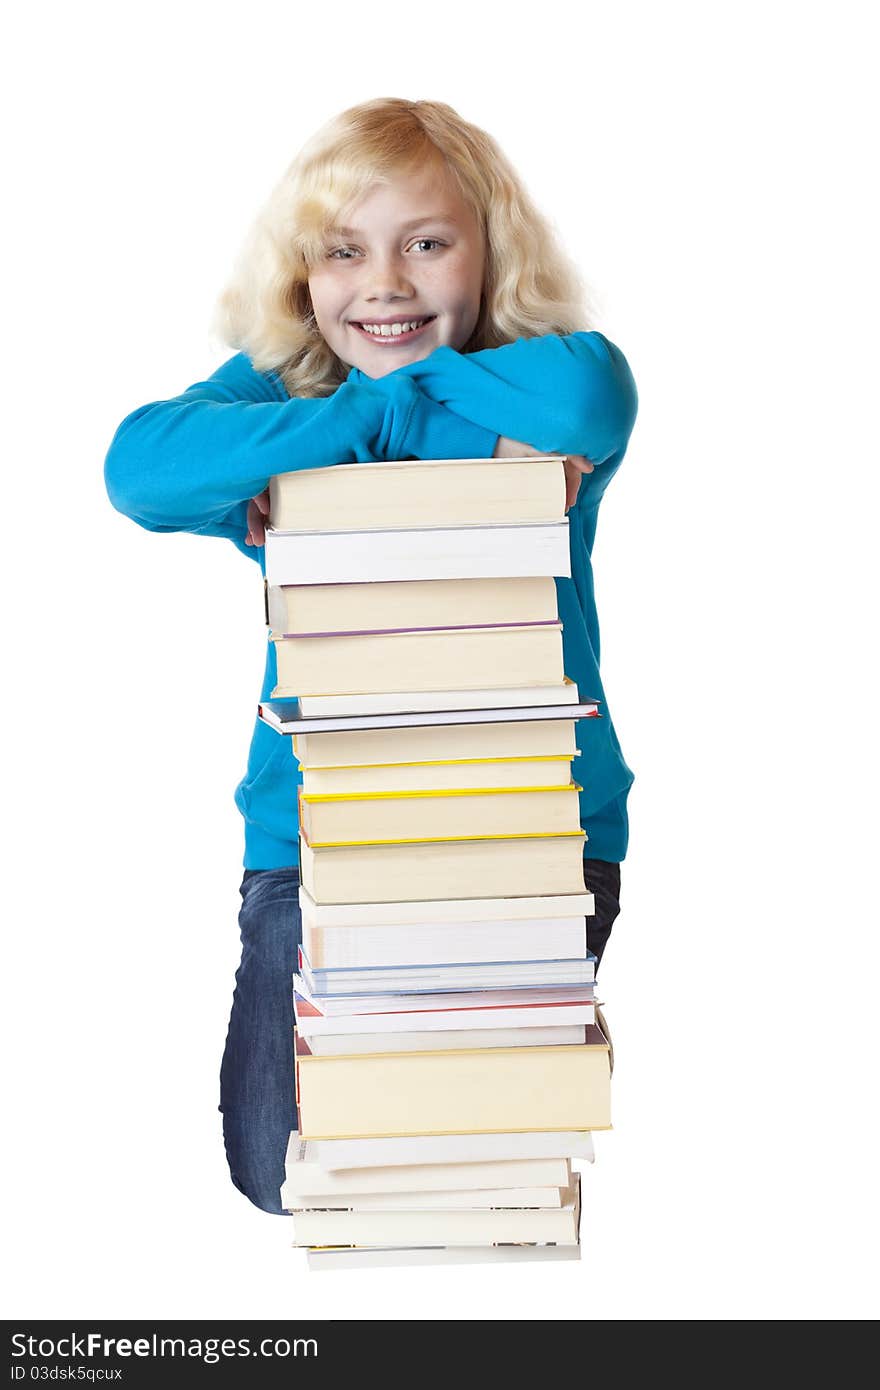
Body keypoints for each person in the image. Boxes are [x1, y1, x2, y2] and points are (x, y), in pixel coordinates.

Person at [104, 97, 638, 1215]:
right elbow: (140, 471)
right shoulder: (285, 396)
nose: (384, 284)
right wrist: (340, 417)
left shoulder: (540, 382)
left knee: (475, 1160)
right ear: (304, 273)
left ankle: (531, 1059)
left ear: (489, 252)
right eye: (343, 252)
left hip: (532, 818)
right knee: (278, 1171)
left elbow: (591, 393)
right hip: (314, 831)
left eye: (426, 244)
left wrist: (396, 388)